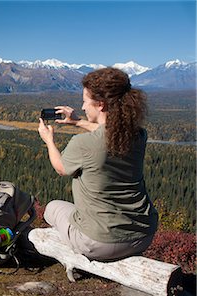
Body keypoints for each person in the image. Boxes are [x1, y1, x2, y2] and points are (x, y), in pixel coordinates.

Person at [38, 67, 158, 261]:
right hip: (144, 235)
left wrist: (49, 140)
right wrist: (78, 122)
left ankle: (71, 254)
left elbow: (61, 168)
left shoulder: (83, 144)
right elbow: (111, 132)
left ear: (100, 104)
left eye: (85, 101)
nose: (83, 107)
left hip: (101, 243)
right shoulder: (139, 135)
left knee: (52, 208)